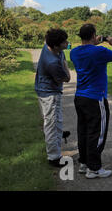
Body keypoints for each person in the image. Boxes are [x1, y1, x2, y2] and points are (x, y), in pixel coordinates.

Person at [70, 24, 112, 179]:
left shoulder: (74, 52)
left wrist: (95, 42)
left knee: (83, 131)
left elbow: (87, 49)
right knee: (97, 133)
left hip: (80, 97)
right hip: (96, 97)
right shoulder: (99, 51)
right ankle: (94, 168)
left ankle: (84, 162)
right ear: (93, 35)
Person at [35, 29, 71, 167]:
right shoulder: (52, 62)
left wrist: (62, 59)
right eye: (64, 42)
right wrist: (65, 65)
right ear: (56, 46)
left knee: (54, 121)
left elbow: (61, 55)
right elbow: (66, 78)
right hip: (50, 93)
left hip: (46, 90)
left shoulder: (48, 46)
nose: (67, 43)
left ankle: (58, 135)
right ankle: (54, 157)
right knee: (51, 123)